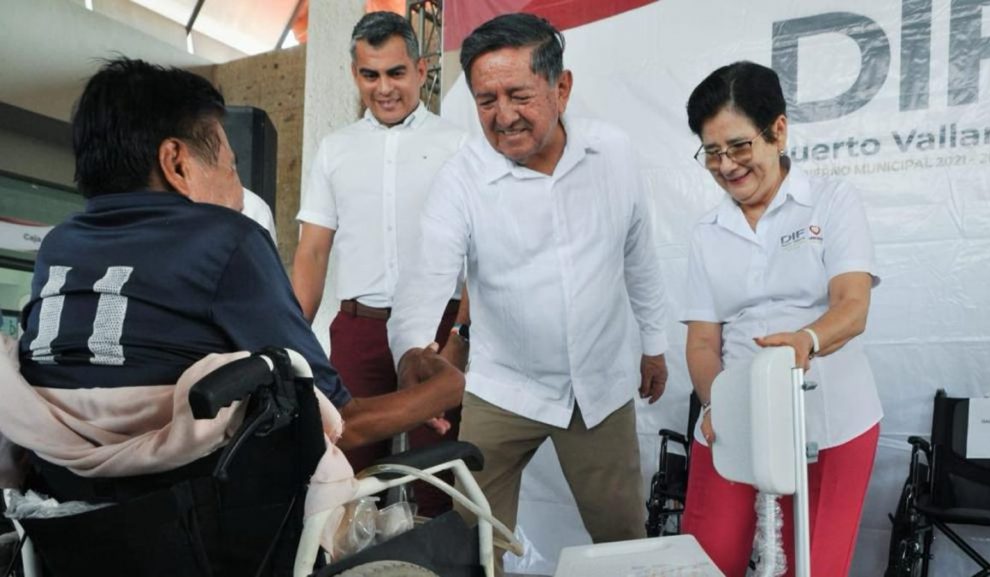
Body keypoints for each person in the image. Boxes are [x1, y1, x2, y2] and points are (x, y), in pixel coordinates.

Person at [17, 57, 463, 454]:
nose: (237, 192)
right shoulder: (226, 240)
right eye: (230, 168)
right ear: (176, 164)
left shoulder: (58, 246)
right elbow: (339, 422)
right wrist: (447, 385)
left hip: (62, 503)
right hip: (189, 506)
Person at [387, 13, 669, 574]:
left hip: (597, 386)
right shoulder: (461, 178)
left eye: (519, 95)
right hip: (503, 387)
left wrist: (655, 344)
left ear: (561, 88)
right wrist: (414, 352)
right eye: (486, 100)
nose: (504, 116)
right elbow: (427, 276)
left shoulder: (612, 154)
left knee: (622, 542)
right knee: (475, 543)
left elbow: (638, 253)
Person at [679, 61, 882, 577]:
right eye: (712, 152)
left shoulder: (831, 202)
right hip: (734, 418)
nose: (727, 165)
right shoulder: (707, 232)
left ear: (778, 131)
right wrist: (717, 404)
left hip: (831, 421)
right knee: (707, 561)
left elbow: (852, 305)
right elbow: (702, 342)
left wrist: (806, 341)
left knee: (812, 566)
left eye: (739, 146)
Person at [291, 11, 468, 516]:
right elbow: (313, 250)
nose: (384, 88)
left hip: (435, 332)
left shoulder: (458, 145)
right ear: (355, 74)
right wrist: (292, 339)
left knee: (439, 476)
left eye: (396, 72)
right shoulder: (335, 150)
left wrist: (460, 335)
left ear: (420, 69)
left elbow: (480, 252)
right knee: (346, 473)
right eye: (370, 74)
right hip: (359, 331)